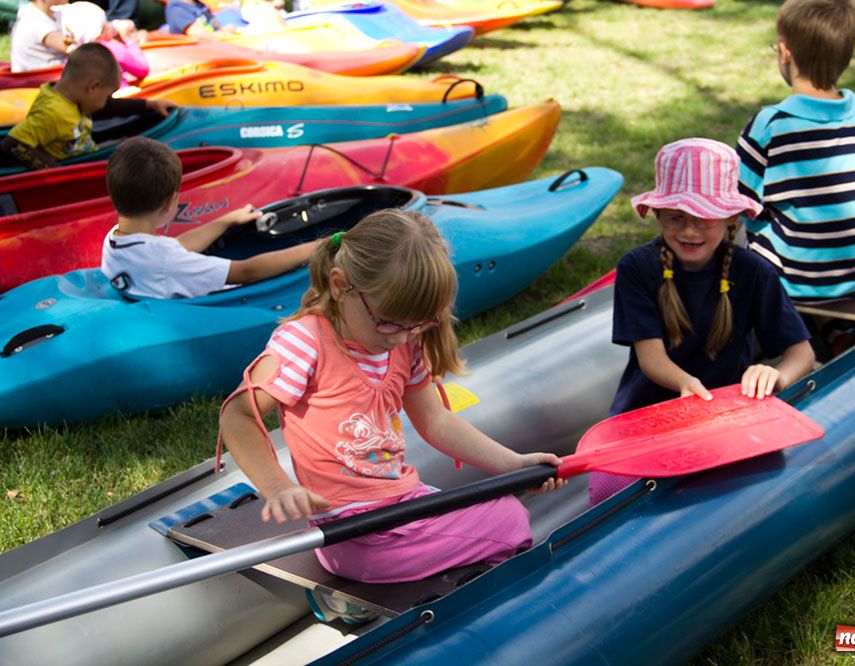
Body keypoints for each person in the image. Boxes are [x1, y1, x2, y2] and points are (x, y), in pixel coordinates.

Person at [217, 209, 565, 599]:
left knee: (495, 503)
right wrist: (278, 487)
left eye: (418, 325)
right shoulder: (306, 342)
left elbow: (436, 421)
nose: (401, 338)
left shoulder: (404, 345)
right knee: (511, 519)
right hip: (353, 534)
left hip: (399, 507)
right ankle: (497, 601)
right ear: (340, 285)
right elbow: (238, 414)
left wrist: (513, 464)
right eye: (388, 322)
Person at [589, 139, 816, 506]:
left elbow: (801, 352)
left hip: (726, 417)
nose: (690, 232)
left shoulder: (753, 271)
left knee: (758, 488)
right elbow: (651, 358)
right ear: (659, 215)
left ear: (731, 218)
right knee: (607, 490)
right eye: (676, 217)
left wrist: (777, 376)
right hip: (648, 415)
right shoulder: (637, 268)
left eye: (703, 219)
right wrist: (686, 385)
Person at [736, 0, 855, 303]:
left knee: (737, 233)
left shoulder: (770, 125)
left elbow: (733, 205)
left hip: (786, 285)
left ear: (785, 53)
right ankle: (835, 328)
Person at [100, 137, 321, 299]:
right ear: (170, 202)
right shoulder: (165, 261)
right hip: (227, 303)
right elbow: (247, 271)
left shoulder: (115, 238)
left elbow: (173, 247)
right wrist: (319, 246)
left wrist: (224, 222)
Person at [1, 44, 174, 171]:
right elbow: (14, 144)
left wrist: (150, 104)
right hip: (76, 165)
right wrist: (56, 174)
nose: (107, 101)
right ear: (93, 87)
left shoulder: (71, 98)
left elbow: (107, 108)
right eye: (107, 95)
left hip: (88, 151)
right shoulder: (53, 112)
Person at [58, 1, 150, 86]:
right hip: (121, 99)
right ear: (101, 33)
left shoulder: (73, 59)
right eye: (106, 23)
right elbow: (143, 69)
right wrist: (129, 40)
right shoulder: (113, 49)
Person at [10, 0, 71, 72]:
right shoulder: (34, 21)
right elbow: (73, 48)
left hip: (56, 73)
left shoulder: (53, 14)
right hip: (39, 79)